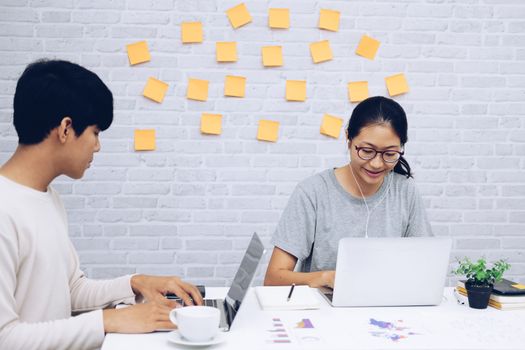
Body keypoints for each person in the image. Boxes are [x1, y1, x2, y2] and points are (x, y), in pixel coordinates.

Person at [0, 59, 203, 350]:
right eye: (95, 132)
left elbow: (70, 290)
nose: (97, 146)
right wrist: (109, 321)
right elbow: (5, 338)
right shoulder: (4, 210)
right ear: (66, 129)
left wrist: (136, 283)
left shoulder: (48, 198)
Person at [264, 96, 433, 288]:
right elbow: (273, 279)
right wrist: (325, 278)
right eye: (367, 151)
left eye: (389, 154)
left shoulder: (405, 191)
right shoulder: (313, 192)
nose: (377, 163)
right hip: (324, 312)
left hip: (387, 308)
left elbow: (425, 267)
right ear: (348, 138)